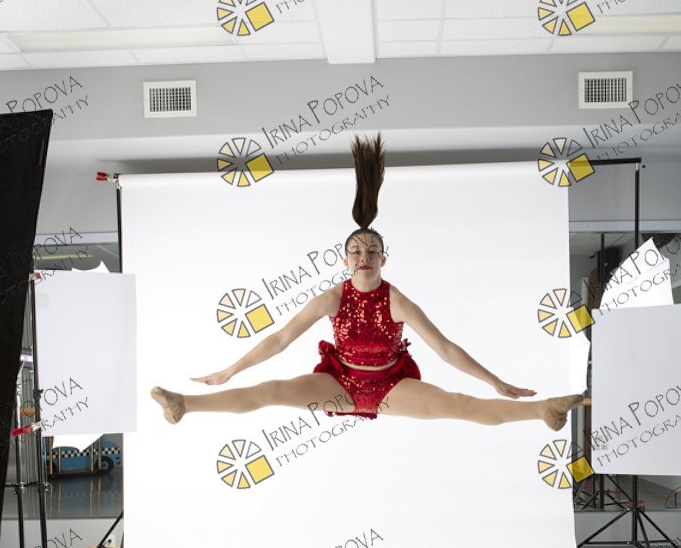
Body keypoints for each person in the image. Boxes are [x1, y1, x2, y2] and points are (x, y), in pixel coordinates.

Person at [151, 135, 582, 431]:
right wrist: (230, 370)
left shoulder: (397, 301)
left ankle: (543, 409)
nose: (364, 257)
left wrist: (494, 380)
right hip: (339, 384)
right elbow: (280, 339)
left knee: (458, 406)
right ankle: (184, 404)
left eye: (372, 251)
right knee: (271, 391)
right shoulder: (332, 298)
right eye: (356, 251)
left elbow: (446, 349)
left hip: (391, 387)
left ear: (382, 259)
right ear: (345, 261)